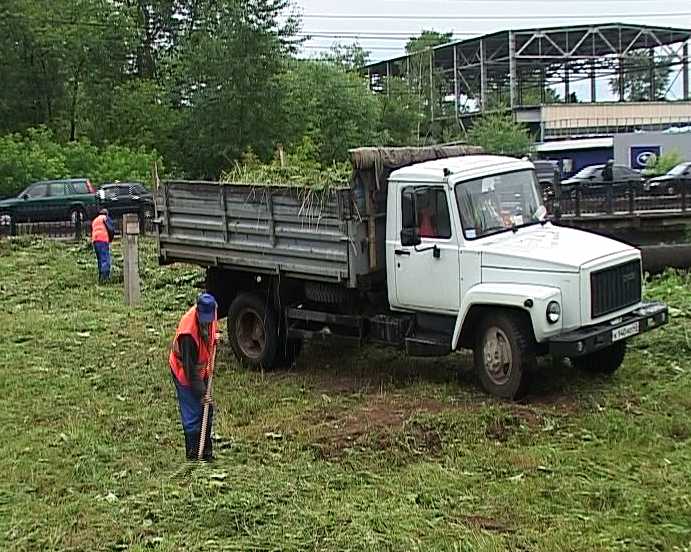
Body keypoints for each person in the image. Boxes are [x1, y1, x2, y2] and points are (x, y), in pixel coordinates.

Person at [169, 293, 218, 461]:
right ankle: (192, 456)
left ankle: (206, 453)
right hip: (184, 372)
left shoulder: (211, 313)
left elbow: (211, 337)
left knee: (207, 409)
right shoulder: (187, 334)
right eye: (203, 318)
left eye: (209, 319)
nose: (207, 322)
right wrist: (202, 392)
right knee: (192, 414)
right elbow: (190, 371)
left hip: (201, 369)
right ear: (197, 311)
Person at [91, 208, 114, 283]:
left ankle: (100, 277)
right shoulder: (105, 218)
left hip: (95, 240)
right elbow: (111, 229)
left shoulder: (95, 220)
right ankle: (105, 279)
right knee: (105, 259)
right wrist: (110, 239)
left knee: (99, 259)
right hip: (103, 239)